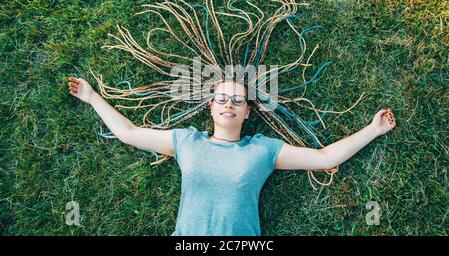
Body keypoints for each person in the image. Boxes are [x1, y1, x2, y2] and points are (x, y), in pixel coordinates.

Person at [68, 76, 396, 235]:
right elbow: (128, 133)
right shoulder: (186, 142)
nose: (229, 105)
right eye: (222, 99)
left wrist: (373, 130)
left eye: (237, 101)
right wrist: (92, 96)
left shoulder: (263, 149)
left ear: (247, 113)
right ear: (210, 107)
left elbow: (325, 158)